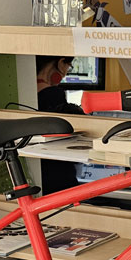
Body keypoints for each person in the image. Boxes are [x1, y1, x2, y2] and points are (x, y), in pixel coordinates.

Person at [36, 56, 82, 194]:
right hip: (58, 175)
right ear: (61, 62)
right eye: (69, 66)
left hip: (39, 174)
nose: (66, 72)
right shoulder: (53, 95)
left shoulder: (26, 91)